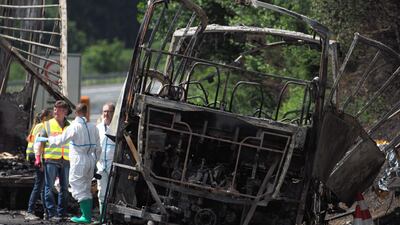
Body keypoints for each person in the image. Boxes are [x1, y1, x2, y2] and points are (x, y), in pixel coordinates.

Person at [37, 103, 101, 224]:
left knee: (77, 186)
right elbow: (99, 148)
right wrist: (95, 161)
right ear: (87, 113)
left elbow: (60, 140)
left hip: (79, 160)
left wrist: (47, 139)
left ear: (76, 113)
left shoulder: (74, 127)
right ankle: (86, 214)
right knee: (86, 187)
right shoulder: (94, 127)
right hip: (90, 159)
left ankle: (86, 217)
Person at [38, 100, 71, 221]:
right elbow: (41, 141)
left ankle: (62, 213)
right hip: (51, 159)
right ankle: (52, 213)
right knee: (49, 187)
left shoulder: (70, 125)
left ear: (65, 112)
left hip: (66, 160)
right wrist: (40, 158)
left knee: (65, 188)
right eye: (55, 109)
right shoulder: (47, 124)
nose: (56, 111)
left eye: (60, 109)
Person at [24, 109, 52, 220]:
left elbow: (29, 139)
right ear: (45, 117)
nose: (52, 118)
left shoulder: (36, 126)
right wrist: (39, 160)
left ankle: (46, 212)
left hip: (31, 155)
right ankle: (30, 211)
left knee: (41, 185)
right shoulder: (42, 126)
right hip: (36, 156)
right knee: (40, 184)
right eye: (50, 116)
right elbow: (38, 144)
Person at [96, 102, 116, 222]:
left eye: (109, 111)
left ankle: (112, 218)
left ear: (114, 113)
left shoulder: (117, 127)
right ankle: (103, 218)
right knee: (101, 193)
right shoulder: (98, 128)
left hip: (112, 164)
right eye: (104, 111)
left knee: (113, 193)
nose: (106, 114)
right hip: (101, 165)